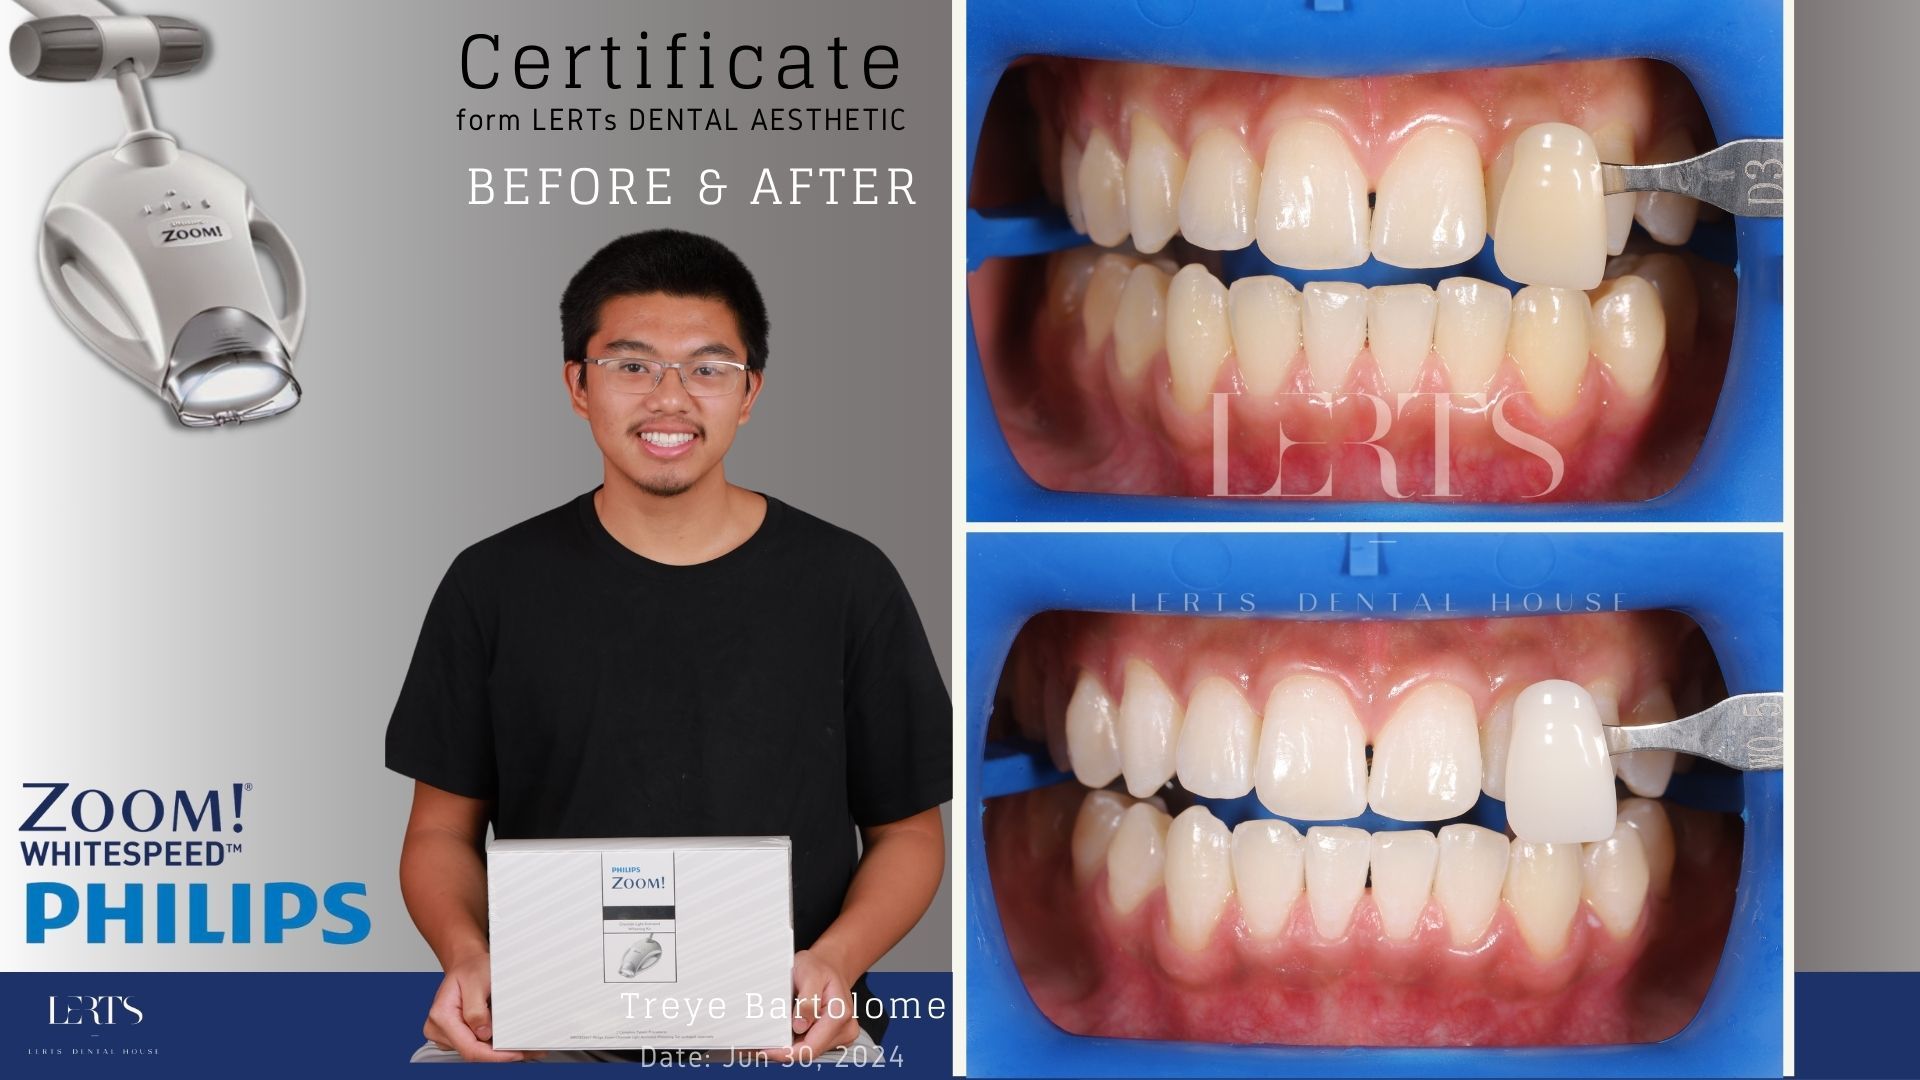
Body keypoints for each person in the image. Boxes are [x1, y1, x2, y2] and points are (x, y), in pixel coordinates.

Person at [385, 229, 950, 1063]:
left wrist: (836, 962)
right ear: (579, 384)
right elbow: (438, 834)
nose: (671, 399)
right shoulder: (491, 584)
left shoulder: (849, 581)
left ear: (750, 390)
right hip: (541, 1037)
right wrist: (468, 958)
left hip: (792, 1040)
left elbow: (909, 834)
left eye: (708, 368)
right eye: (632, 364)